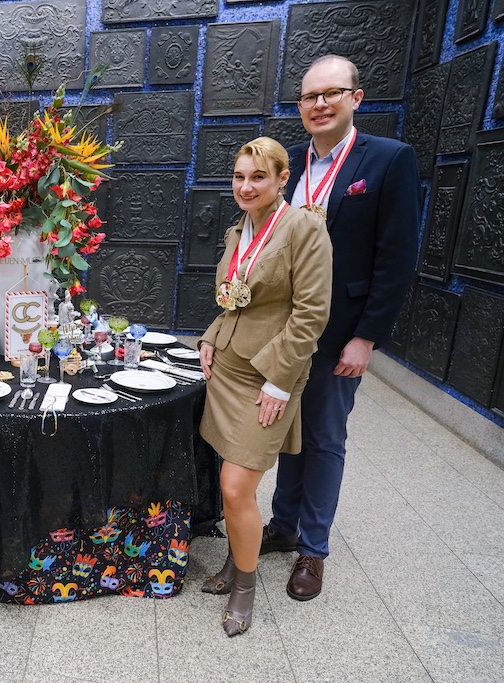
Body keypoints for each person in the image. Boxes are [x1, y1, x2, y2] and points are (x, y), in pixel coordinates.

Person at [260, 55, 420, 601]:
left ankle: (313, 549)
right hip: (286, 332)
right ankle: (282, 527)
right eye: (309, 97)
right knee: (286, 430)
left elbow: (397, 257)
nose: (320, 104)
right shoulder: (291, 166)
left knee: (325, 438)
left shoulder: (390, 160)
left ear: (356, 98)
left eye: (332, 93)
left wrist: (366, 336)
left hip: (340, 332)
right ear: (300, 107)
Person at [197, 137, 333, 636]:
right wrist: (212, 336)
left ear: (282, 179)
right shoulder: (240, 230)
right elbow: (236, 300)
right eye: (239, 176)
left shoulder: (303, 228)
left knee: (237, 485)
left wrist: (279, 380)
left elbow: (311, 313)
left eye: (258, 177)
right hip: (229, 368)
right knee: (233, 489)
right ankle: (236, 562)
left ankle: (245, 586)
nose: (246, 186)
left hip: (269, 377)